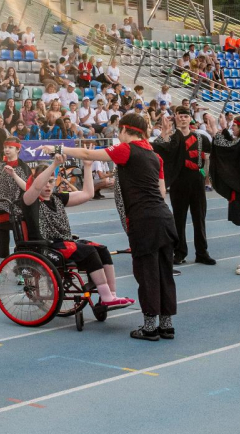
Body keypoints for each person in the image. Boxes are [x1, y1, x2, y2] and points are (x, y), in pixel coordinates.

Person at [61, 112, 178, 341]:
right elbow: (162, 191)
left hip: (144, 220)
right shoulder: (155, 157)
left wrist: (59, 149)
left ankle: (150, 327)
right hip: (164, 218)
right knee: (164, 273)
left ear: (124, 129)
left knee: (147, 274)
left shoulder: (126, 149)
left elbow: (88, 154)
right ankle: (166, 325)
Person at [21, 156, 135, 312]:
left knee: (102, 249)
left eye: (51, 181)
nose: (48, 185)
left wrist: (87, 166)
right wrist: (54, 165)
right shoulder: (29, 200)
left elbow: (88, 194)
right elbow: (36, 187)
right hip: (47, 246)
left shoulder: (57, 198)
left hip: (64, 243)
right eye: (45, 181)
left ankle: (111, 295)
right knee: (89, 251)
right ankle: (106, 297)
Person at [202, 112, 240, 275]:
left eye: (234, 126)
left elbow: (228, 148)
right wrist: (222, 129)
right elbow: (230, 146)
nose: (232, 128)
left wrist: (216, 129)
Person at [154, 106, 215, 266]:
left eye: (186, 116)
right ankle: (179, 253)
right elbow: (156, 149)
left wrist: (206, 177)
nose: (183, 118)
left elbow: (209, 158)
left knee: (199, 219)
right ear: (175, 118)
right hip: (178, 182)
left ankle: (202, 253)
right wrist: (164, 133)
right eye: (180, 116)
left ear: (190, 119)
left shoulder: (201, 138)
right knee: (179, 220)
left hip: (197, 181)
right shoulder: (171, 138)